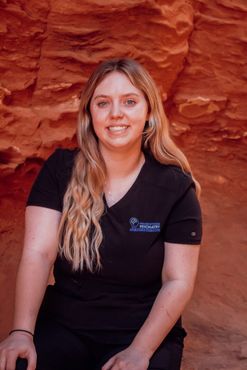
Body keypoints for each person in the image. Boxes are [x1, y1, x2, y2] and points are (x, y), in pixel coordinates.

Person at [0, 58, 202, 370]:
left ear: (149, 113)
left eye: (130, 101)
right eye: (103, 103)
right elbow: (38, 254)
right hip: (65, 326)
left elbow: (177, 281)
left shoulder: (175, 187)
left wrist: (139, 352)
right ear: (89, 114)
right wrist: (21, 332)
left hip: (141, 332)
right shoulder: (60, 170)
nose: (116, 113)